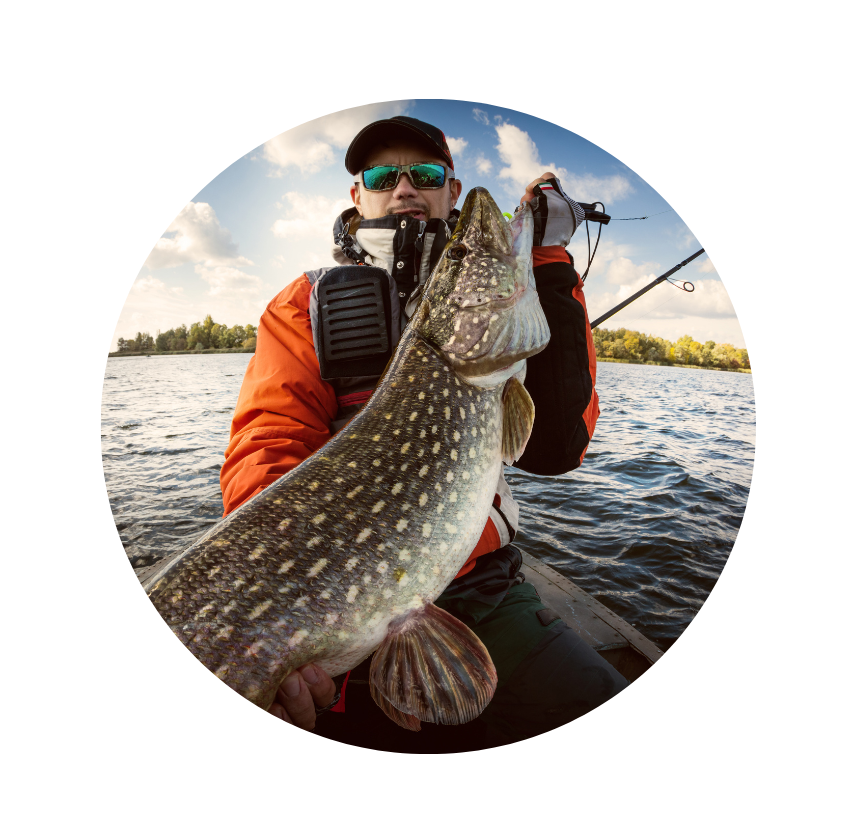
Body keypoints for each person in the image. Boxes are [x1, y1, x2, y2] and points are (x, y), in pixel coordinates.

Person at [220, 115, 628, 747]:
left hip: (484, 587)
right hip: (329, 597)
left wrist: (548, 257)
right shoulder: (302, 302)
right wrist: (286, 592)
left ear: (450, 190)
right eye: (383, 175)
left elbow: (556, 447)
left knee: (606, 722)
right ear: (358, 196)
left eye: (427, 173)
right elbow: (268, 441)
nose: (405, 187)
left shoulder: (499, 334)